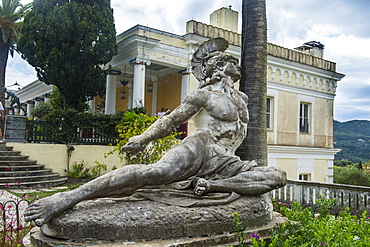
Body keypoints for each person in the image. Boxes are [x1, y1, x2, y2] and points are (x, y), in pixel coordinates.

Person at [25, 38, 286, 227]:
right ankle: (69, 197)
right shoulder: (203, 95)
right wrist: (143, 138)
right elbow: (172, 120)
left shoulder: (243, 98)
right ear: (218, 68)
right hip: (201, 146)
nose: (238, 66)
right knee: (157, 173)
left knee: (276, 176)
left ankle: (211, 186)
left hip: (227, 161)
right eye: (232, 62)